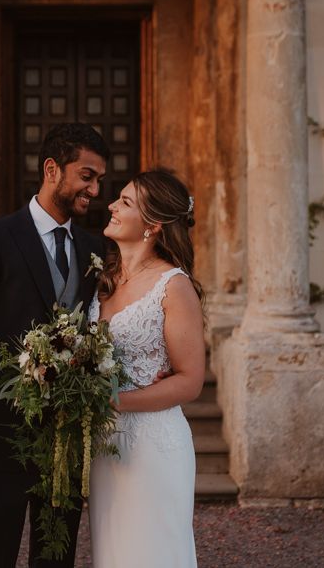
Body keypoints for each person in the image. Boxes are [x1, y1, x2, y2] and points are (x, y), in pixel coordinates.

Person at [0, 123, 109, 567]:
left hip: (66, 443)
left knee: (58, 560)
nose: (94, 189)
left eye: (99, 180)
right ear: (52, 169)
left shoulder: (96, 250)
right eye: (87, 175)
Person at [87, 169, 205, 568]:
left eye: (124, 202)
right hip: (107, 449)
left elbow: (190, 382)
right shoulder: (104, 279)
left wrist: (115, 399)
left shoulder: (173, 286)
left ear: (152, 225)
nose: (111, 206)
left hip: (154, 447)